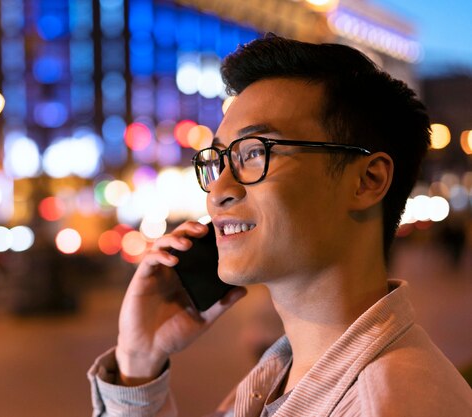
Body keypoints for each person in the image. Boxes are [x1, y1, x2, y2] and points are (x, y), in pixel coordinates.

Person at [88, 34, 472, 416]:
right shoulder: (279, 377)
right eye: (218, 160)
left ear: (368, 180)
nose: (218, 189)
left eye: (254, 152)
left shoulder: (391, 405)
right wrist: (137, 363)